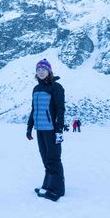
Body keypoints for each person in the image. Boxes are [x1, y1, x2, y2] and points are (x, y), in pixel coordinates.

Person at [26, 59, 66, 202]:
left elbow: (60, 109)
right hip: (40, 129)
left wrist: (59, 130)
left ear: (49, 71)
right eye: (38, 69)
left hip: (52, 129)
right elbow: (34, 109)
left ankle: (57, 190)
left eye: (43, 69)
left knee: (53, 159)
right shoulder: (36, 89)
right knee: (45, 159)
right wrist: (29, 127)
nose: (41, 71)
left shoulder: (56, 87)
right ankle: (48, 185)